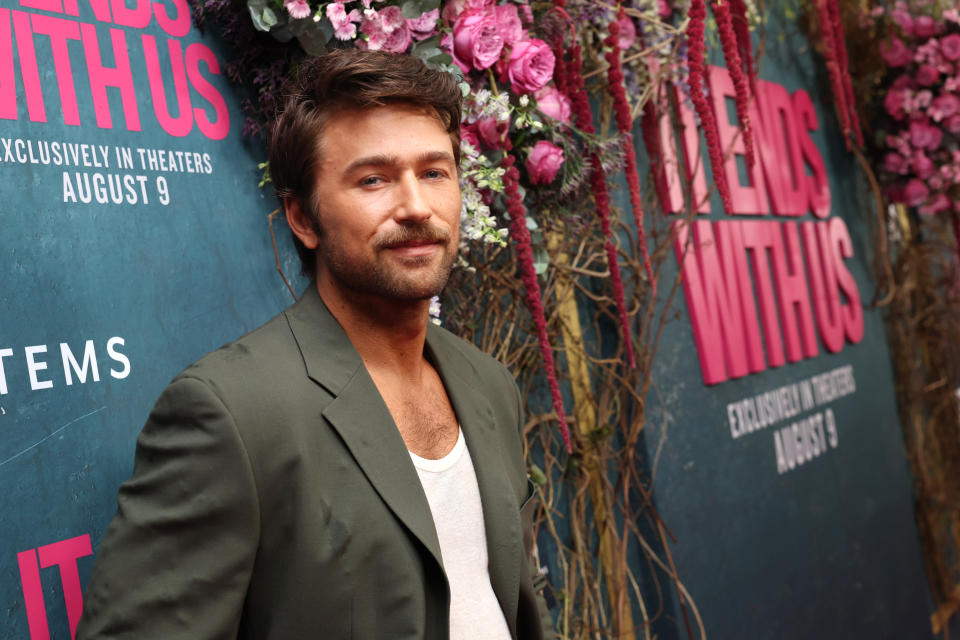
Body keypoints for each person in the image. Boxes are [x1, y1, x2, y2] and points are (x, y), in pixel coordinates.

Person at [76, 48, 554, 639]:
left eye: (434, 173)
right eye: (373, 179)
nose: (415, 206)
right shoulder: (231, 414)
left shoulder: (488, 384)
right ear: (303, 218)